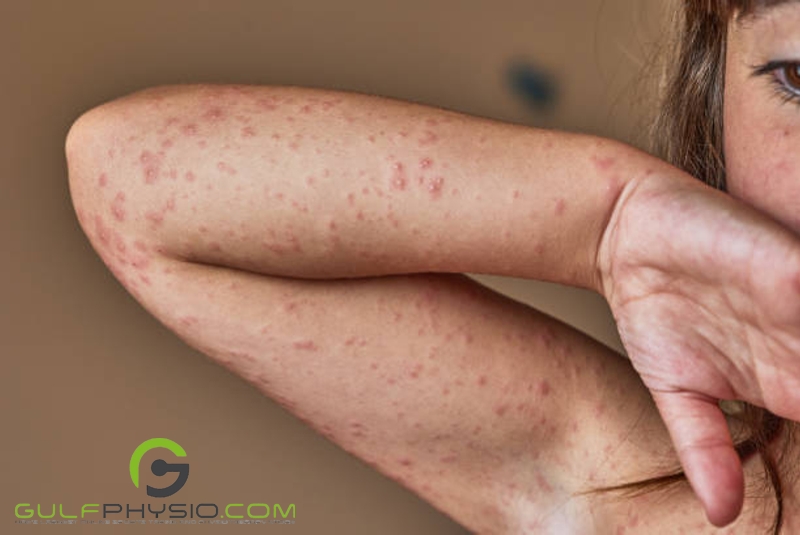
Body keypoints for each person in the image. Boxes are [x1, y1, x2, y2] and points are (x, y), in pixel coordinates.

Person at [63, 0, 800, 532]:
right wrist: (605, 222)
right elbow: (128, 182)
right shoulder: (631, 492)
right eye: (799, 75)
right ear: (715, 101)